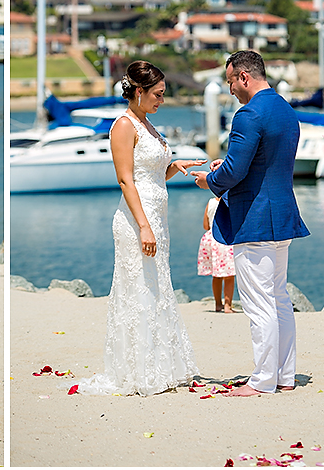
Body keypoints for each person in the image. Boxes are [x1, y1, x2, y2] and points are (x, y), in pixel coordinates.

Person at [76, 60, 205, 396]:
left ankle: (159, 365)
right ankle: (137, 370)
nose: (162, 100)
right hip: (136, 222)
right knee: (139, 291)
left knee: (157, 288)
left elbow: (153, 175)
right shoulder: (124, 125)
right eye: (158, 94)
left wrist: (176, 165)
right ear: (138, 91)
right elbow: (125, 179)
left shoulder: (147, 124)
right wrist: (144, 226)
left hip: (156, 219)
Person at [193, 50, 309, 397]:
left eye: (230, 81)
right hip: (281, 215)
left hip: (255, 219)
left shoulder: (248, 114)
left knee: (259, 304)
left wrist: (209, 181)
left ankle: (262, 381)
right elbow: (263, 162)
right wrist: (224, 166)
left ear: (244, 76)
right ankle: (284, 375)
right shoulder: (285, 110)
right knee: (278, 299)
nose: (230, 89)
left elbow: (236, 171)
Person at [197, 196, 236, 313]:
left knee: (216, 275)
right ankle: (228, 306)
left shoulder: (210, 202)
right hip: (225, 239)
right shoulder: (231, 202)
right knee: (229, 276)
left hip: (210, 239)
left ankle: (218, 304)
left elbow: (205, 226)